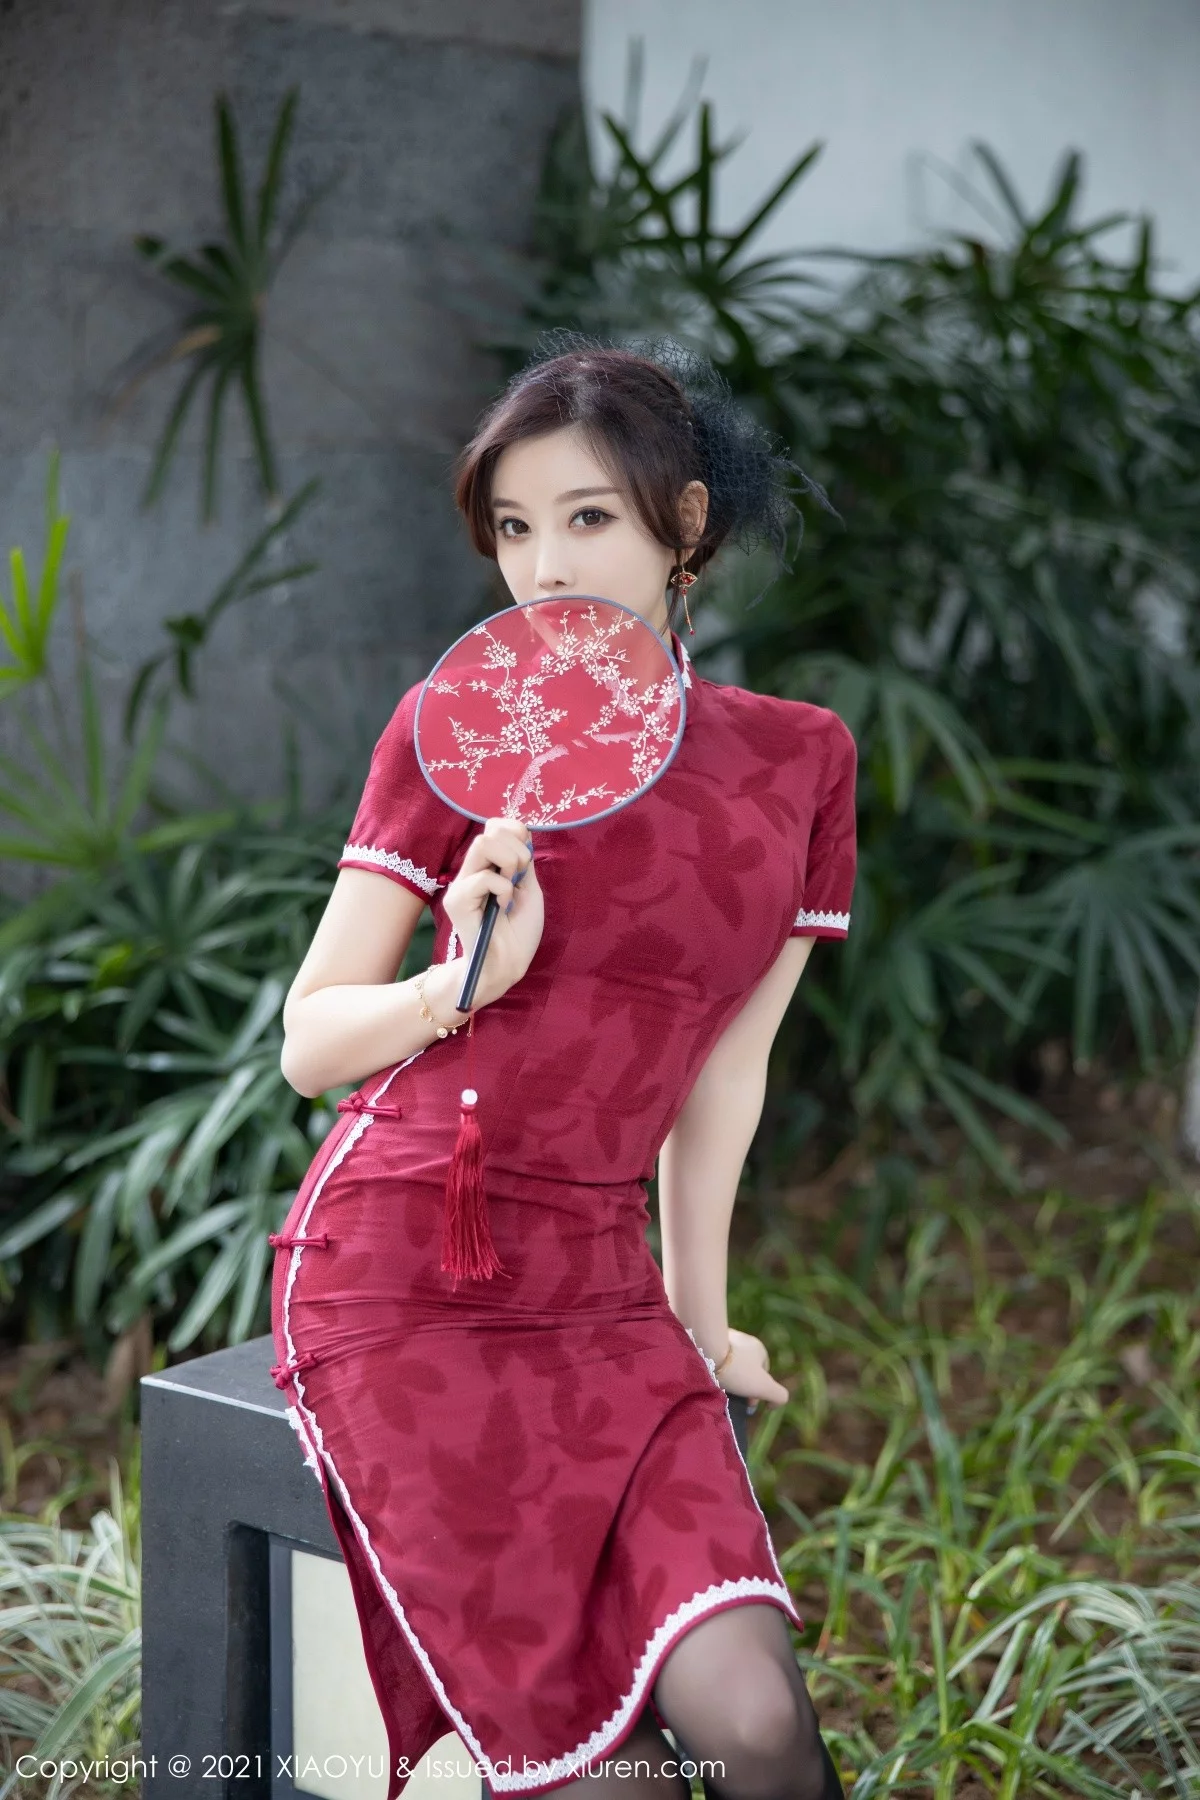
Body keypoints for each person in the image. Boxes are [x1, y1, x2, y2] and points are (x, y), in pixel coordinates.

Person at [269, 339, 856, 1800]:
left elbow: (724, 1080)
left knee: (758, 1720)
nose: (545, 568)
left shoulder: (798, 762)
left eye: (588, 517)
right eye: (515, 527)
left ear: (686, 525)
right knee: (603, 1780)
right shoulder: (455, 734)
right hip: (407, 1274)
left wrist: (702, 1326)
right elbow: (310, 1040)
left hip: (602, 1287)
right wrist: (458, 986)